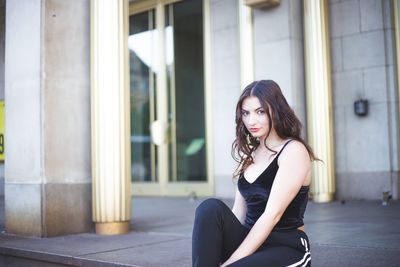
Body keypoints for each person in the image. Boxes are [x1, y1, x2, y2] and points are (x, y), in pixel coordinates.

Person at [192, 80, 317, 267]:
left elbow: (272, 215)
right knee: (210, 208)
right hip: (250, 239)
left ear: (276, 110)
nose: (251, 121)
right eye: (246, 113)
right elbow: (239, 213)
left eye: (260, 112)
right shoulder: (250, 155)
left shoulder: (293, 151)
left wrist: (230, 262)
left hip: (284, 246)